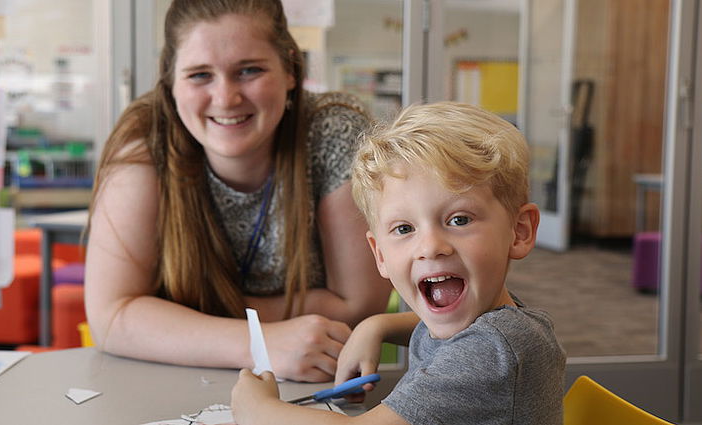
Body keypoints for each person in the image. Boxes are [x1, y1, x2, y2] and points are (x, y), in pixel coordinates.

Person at [84, 0, 390, 383]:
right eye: (199, 75)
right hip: (167, 379)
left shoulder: (335, 133)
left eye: (249, 70)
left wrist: (174, 317)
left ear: (291, 69)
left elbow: (358, 305)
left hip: (309, 384)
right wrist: (259, 343)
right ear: (170, 81)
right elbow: (111, 319)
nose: (226, 98)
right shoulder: (145, 142)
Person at [231, 101, 567, 424]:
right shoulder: (499, 327)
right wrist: (378, 326)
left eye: (460, 220)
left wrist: (256, 410)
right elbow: (454, 336)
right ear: (380, 255)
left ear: (519, 231)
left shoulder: (493, 353)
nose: (431, 247)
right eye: (404, 228)